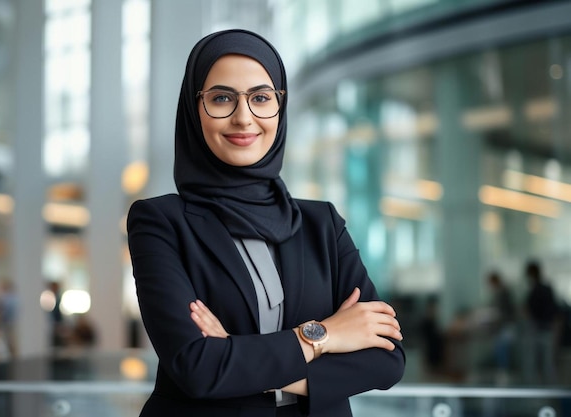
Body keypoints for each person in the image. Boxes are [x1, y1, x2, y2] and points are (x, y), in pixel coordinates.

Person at [127, 29, 405, 417]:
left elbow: (386, 359)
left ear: (280, 106)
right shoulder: (160, 221)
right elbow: (197, 367)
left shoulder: (321, 223)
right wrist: (326, 335)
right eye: (222, 98)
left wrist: (237, 357)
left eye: (260, 98)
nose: (244, 118)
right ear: (194, 110)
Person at [522, 259, 558, 385]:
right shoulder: (546, 289)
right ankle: (550, 392)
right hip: (547, 330)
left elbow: (528, 312)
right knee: (547, 365)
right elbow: (554, 312)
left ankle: (534, 392)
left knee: (532, 365)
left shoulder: (535, 291)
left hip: (537, 330)